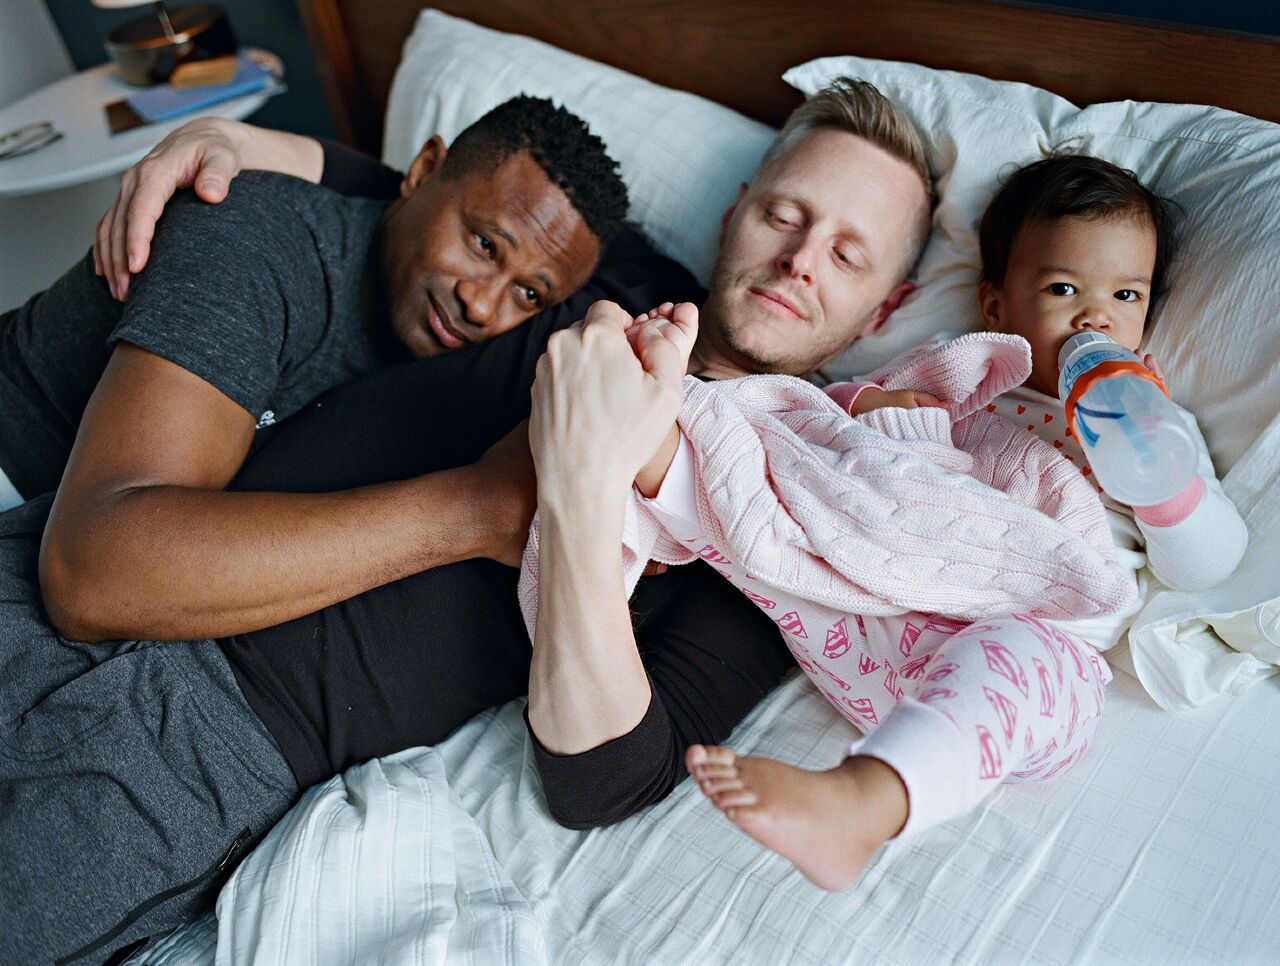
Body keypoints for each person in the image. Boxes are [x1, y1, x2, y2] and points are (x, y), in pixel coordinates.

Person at [0, 78, 932, 961]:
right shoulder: (608, 282)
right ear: (734, 216)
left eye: (847, 255)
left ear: (883, 310)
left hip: (200, 743)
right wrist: (244, 144)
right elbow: (450, 208)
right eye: (784, 216)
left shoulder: (795, 513)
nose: (798, 261)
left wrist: (570, 496)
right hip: (98, 549)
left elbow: (607, 778)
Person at [614, 156, 1246, 890]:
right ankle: (658, 442)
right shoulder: (963, 383)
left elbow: (1206, 565)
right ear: (998, 308)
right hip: (874, 613)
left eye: (1125, 294)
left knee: (1045, 671)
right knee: (777, 518)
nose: (1094, 318)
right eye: (1063, 288)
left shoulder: (1155, 426)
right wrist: (877, 418)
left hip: (1017, 646)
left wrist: (1165, 486)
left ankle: (863, 801)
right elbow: (840, 458)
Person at [0, 96, 629, 645]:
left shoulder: (460, 336)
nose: (481, 305)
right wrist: (474, 513)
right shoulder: (254, 244)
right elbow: (93, 574)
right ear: (422, 171)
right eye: (484, 244)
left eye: (527, 295)